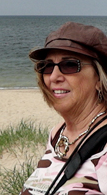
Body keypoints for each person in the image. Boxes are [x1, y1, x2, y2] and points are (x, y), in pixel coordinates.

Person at [22, 22, 107, 195]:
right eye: (47, 66)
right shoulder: (58, 134)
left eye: (69, 65)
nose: (53, 77)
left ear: (99, 77)